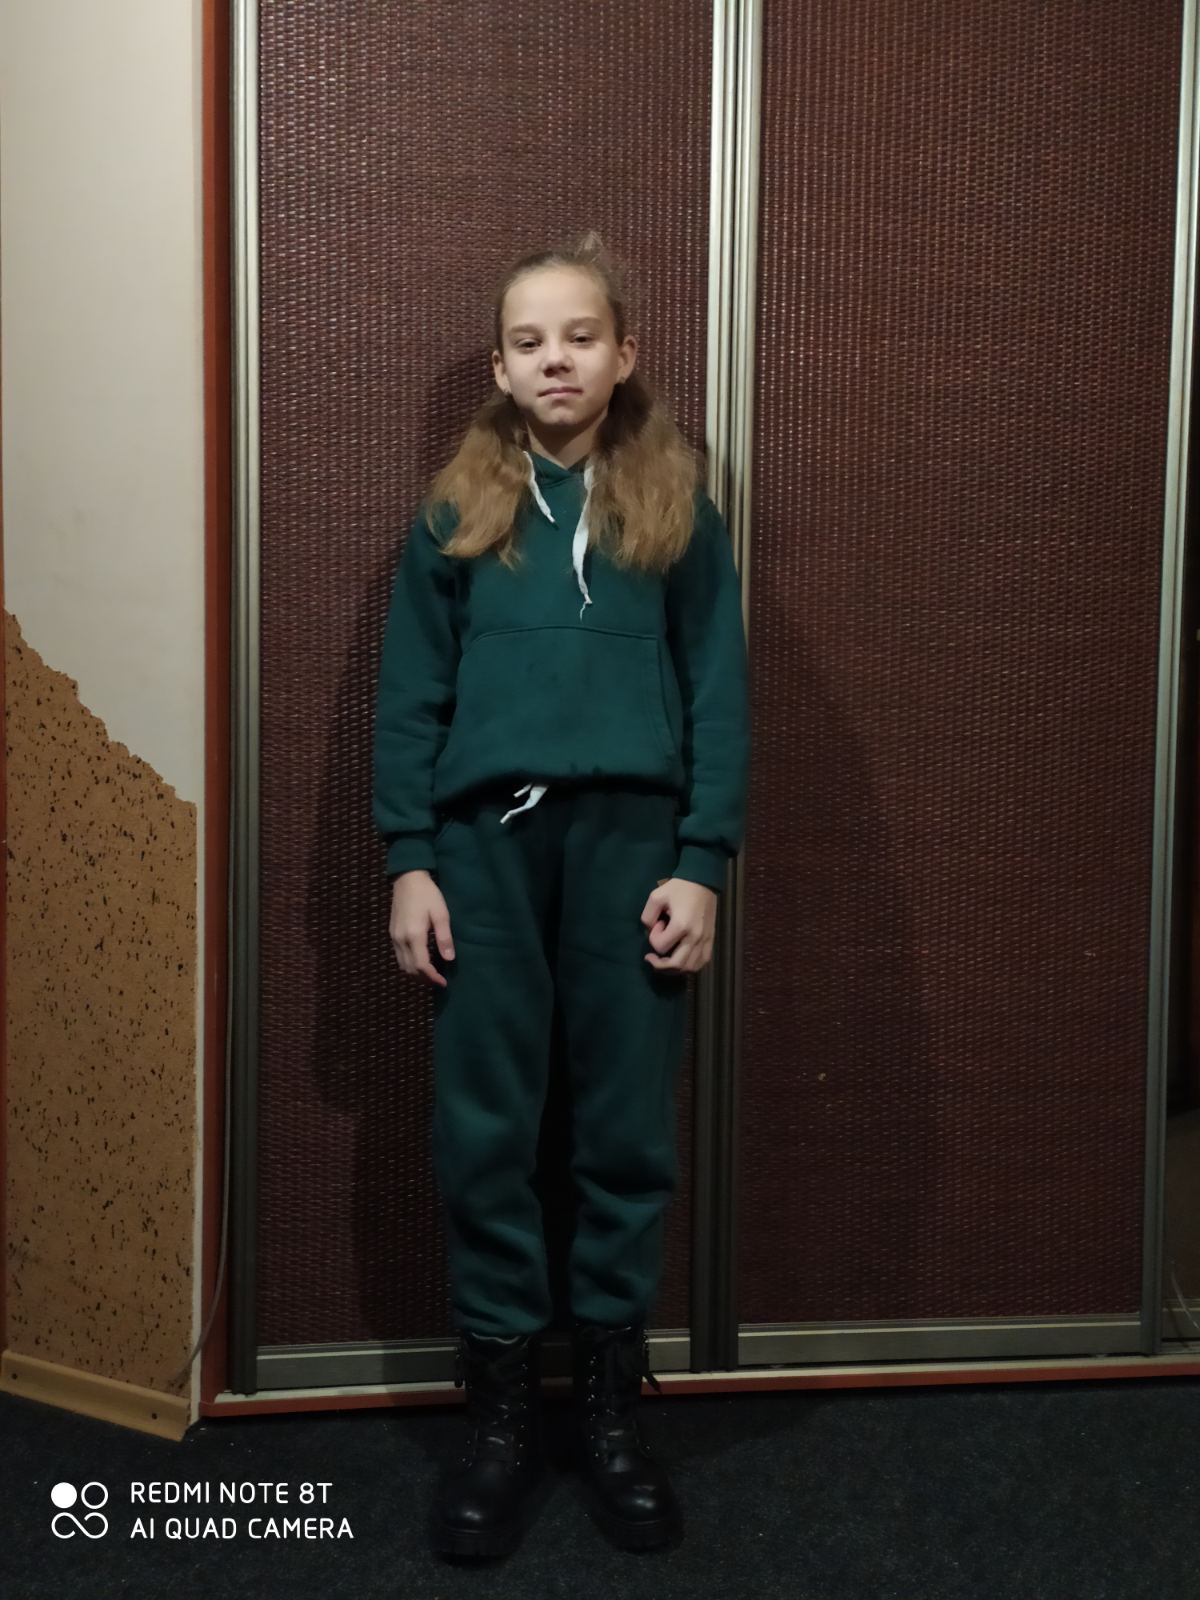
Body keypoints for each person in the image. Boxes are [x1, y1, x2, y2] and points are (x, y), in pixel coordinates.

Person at [371, 229, 750, 1560]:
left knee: (622, 1131)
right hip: (483, 851)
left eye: (580, 337)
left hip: (632, 849)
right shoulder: (453, 513)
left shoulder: (676, 507)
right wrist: (410, 858)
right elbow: (409, 698)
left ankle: (605, 1409)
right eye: (529, 342)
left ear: (623, 353)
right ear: (499, 366)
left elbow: (718, 690)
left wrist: (701, 861)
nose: (555, 361)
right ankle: (499, 1419)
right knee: (488, 1129)